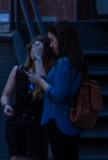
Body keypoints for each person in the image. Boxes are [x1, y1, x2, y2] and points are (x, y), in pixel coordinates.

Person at [27, 22, 86, 160]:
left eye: (52, 40)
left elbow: (59, 94)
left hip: (59, 120)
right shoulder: (76, 61)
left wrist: (40, 82)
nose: (51, 45)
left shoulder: (64, 62)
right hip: (69, 120)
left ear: (62, 40)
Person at [1, 36, 51, 160]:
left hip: (37, 121)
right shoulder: (18, 71)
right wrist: (6, 104)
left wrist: (38, 59)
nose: (36, 51)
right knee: (17, 156)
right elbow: (5, 94)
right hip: (18, 119)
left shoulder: (48, 72)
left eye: (39, 48)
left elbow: (41, 88)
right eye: (34, 48)